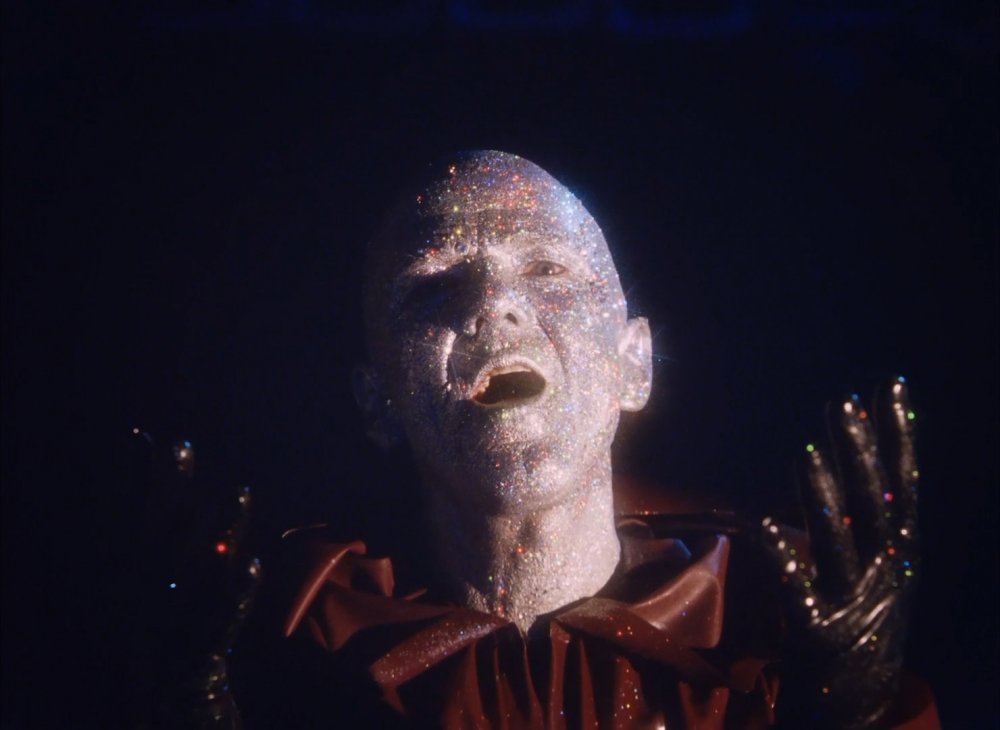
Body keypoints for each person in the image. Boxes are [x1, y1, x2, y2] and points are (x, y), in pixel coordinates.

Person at [231, 151, 939, 728]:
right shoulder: (287, 645)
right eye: (432, 284)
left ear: (634, 365)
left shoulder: (770, 631)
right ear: (377, 401)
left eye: (547, 268)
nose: (493, 304)